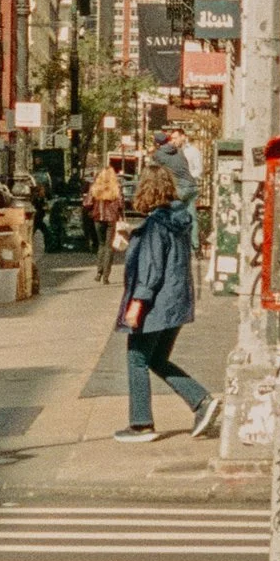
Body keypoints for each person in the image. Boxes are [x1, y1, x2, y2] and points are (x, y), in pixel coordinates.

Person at [113, 159, 218, 443]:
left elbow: (151, 270)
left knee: (136, 358)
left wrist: (137, 303)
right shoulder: (177, 221)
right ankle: (201, 402)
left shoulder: (155, 227)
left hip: (156, 305)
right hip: (176, 303)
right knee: (157, 358)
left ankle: (141, 423)